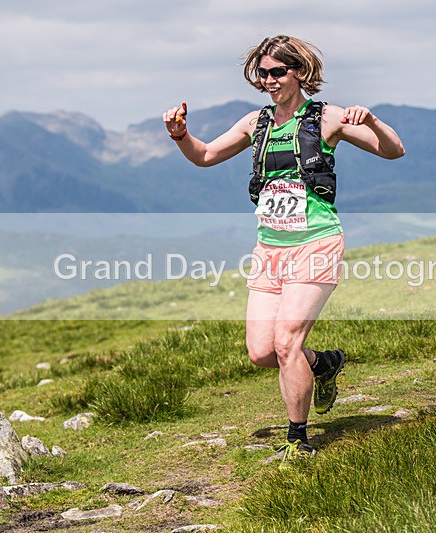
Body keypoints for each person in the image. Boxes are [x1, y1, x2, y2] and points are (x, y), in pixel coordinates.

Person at [163, 35, 404, 464]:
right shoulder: (254, 123)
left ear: (299, 72)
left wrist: (373, 121)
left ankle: (298, 440)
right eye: (263, 73)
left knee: (287, 342)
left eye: (278, 72)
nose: (269, 80)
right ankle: (324, 364)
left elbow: (393, 151)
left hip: (316, 243)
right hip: (269, 249)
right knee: (262, 352)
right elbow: (205, 156)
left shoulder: (328, 118)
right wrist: (181, 135)